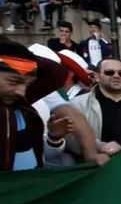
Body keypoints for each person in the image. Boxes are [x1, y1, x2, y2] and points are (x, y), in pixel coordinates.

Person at [0, 38, 92, 171]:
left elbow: (41, 158)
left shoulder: (26, 111)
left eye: (28, 85)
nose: (22, 92)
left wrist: (53, 139)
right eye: (13, 81)